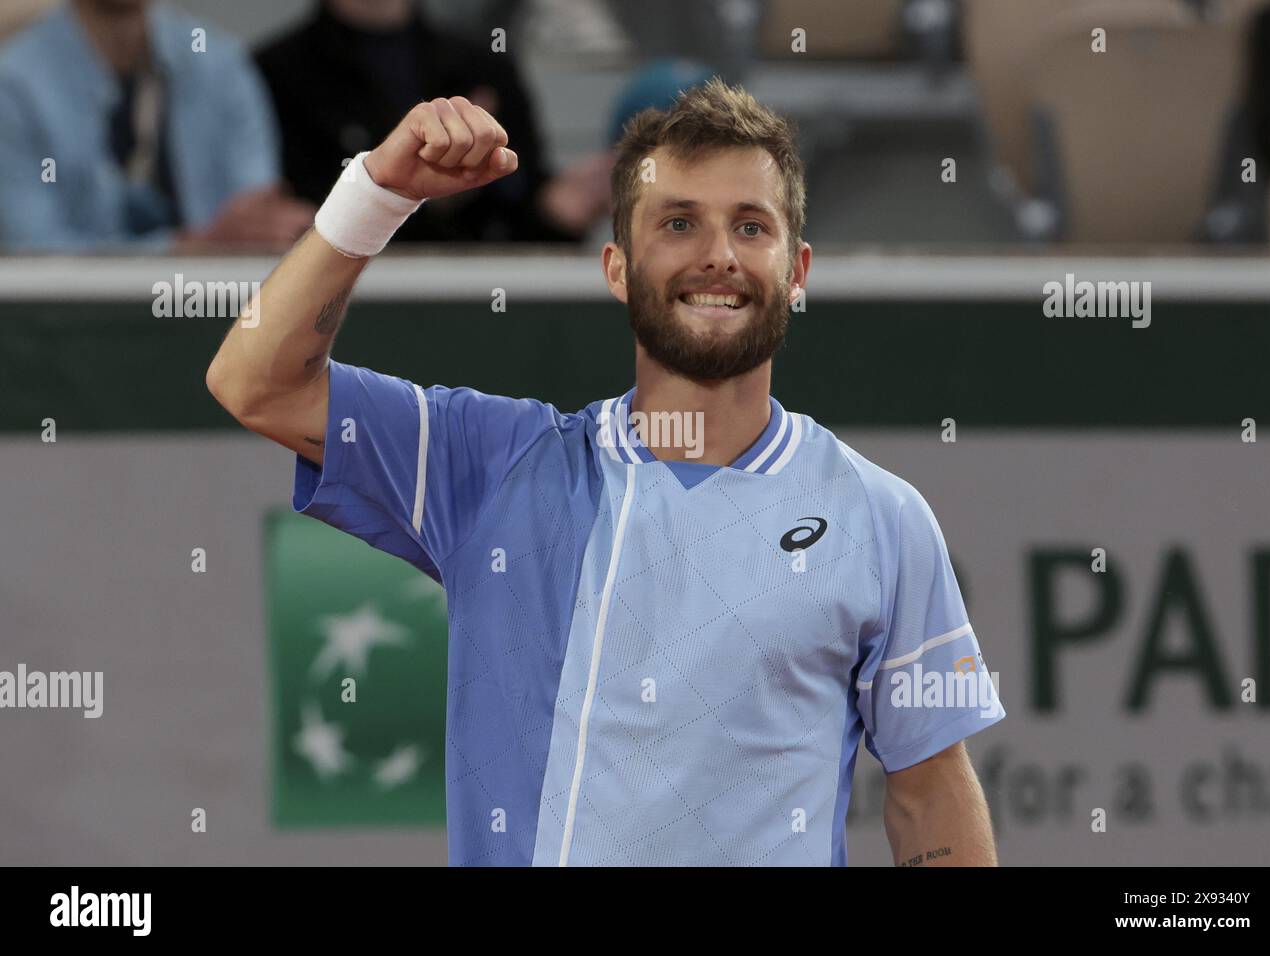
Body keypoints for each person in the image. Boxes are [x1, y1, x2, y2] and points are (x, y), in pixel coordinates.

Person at [206, 80, 1006, 867]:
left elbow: (928, 787)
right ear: (617, 267)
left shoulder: (881, 517)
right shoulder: (492, 466)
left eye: (751, 227)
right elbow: (256, 383)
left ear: (797, 271)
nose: (719, 256)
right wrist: (377, 194)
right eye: (680, 222)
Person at [255, 0, 611, 243]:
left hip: (477, 301)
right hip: (343, 301)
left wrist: (558, 211)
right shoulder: (274, 73)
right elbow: (289, 221)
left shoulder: (483, 68)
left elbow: (523, 205)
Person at [0, 0, 312, 252]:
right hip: (70, 324)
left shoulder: (220, 64)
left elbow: (255, 213)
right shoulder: (15, 85)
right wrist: (190, 248)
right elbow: (33, 250)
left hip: (215, 309)